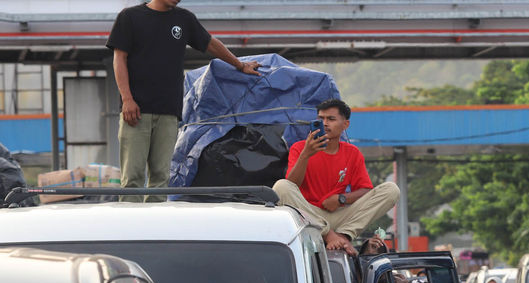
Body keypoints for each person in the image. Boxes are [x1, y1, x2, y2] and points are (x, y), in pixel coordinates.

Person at [107, 0, 261, 201]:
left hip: (169, 111)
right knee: (133, 178)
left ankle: (155, 230)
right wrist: (127, 99)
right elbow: (119, 58)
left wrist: (239, 65)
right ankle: (130, 230)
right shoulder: (130, 17)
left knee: (161, 179)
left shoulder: (184, 19)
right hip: (136, 111)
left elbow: (211, 44)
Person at [272, 98, 400, 255]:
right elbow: (291, 185)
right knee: (281, 186)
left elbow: (366, 191)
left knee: (391, 190)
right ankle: (329, 235)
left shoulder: (352, 153)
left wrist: (341, 199)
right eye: (321, 119)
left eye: (331, 119)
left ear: (345, 124)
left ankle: (343, 236)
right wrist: (306, 155)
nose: (325, 123)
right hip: (307, 216)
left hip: (338, 215)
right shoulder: (299, 148)